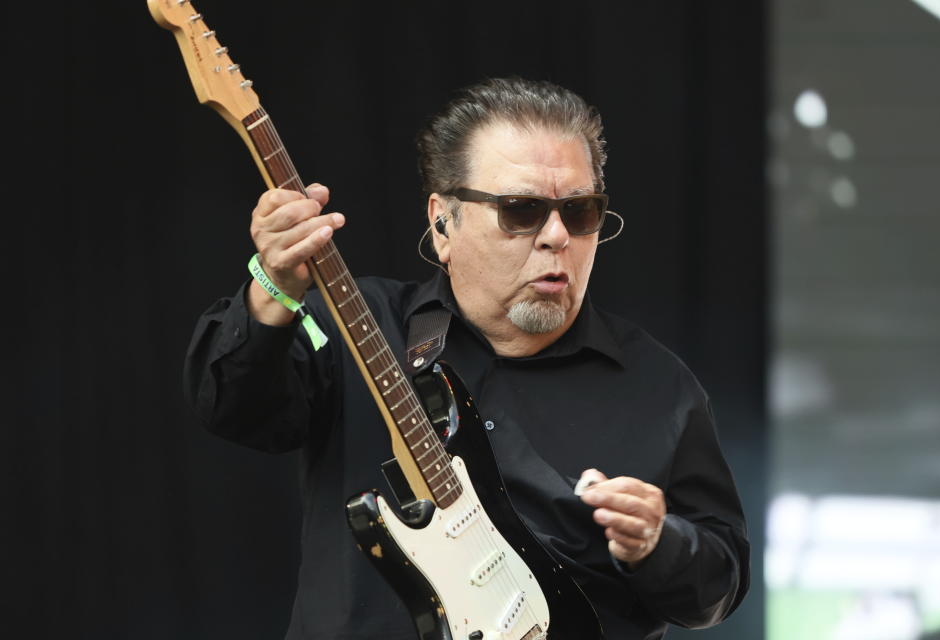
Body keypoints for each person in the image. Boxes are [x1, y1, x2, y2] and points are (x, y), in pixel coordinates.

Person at [185, 77, 749, 640]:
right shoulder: (363, 326)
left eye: (579, 211)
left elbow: (718, 587)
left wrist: (657, 543)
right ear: (443, 222)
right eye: (521, 210)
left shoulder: (659, 385)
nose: (557, 236)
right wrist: (273, 288)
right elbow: (235, 409)